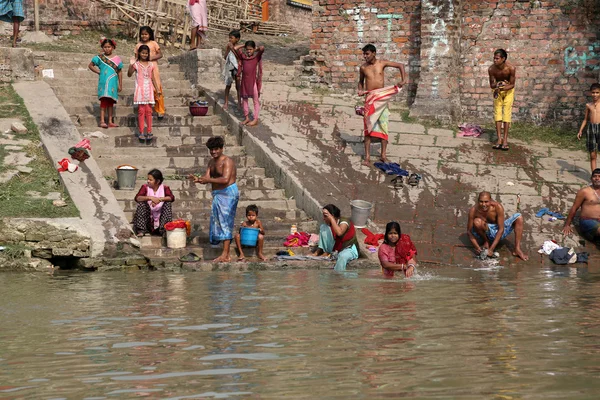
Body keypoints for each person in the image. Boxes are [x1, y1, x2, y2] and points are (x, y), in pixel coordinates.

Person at [188, 136, 239, 262]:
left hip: (228, 193)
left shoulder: (227, 161)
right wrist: (198, 179)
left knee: (225, 222)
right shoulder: (211, 162)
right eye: (211, 150)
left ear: (221, 149)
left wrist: (207, 180)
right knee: (219, 222)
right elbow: (206, 177)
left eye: (216, 149)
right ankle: (224, 253)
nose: (214, 152)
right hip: (217, 194)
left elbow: (225, 179)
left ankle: (226, 255)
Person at [358, 43, 406, 165]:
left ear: (373, 53)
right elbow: (360, 82)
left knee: (384, 126)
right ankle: (367, 157)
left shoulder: (382, 63)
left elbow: (400, 65)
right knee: (368, 128)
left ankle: (383, 155)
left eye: (367, 54)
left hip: (382, 100)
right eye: (364, 54)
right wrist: (360, 90)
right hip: (370, 99)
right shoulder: (363, 68)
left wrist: (403, 79)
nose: (365, 56)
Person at [467, 191, 528, 261]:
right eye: (481, 202)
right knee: (477, 222)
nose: (484, 204)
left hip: (497, 232)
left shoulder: (497, 207)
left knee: (519, 217)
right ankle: (486, 241)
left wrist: (491, 249)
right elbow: (469, 231)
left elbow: (501, 229)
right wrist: (477, 247)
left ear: (490, 201)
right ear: (478, 201)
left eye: (486, 202)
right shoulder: (473, 210)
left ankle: (517, 249)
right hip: (483, 233)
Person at [310, 204, 359, 271]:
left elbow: (339, 232)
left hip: (349, 249)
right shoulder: (328, 226)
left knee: (342, 256)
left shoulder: (344, 222)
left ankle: (338, 277)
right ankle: (326, 252)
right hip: (335, 249)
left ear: (332, 216)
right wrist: (316, 253)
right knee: (323, 227)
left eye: (325, 216)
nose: (323, 218)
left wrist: (331, 218)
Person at [88, 38, 123, 129]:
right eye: (105, 47)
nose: (107, 49)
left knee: (111, 103)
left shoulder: (117, 59)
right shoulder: (99, 58)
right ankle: (102, 121)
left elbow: (119, 71)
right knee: (103, 102)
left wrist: (120, 84)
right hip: (103, 83)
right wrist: (98, 72)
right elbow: (90, 65)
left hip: (113, 84)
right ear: (102, 48)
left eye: (109, 47)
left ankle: (110, 121)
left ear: (113, 47)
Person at [127, 45, 160, 140]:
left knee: (149, 111)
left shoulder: (151, 65)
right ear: (139, 53)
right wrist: (131, 64)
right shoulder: (136, 64)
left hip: (149, 90)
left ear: (148, 54)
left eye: (146, 53)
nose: (144, 55)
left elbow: (152, 78)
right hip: (140, 91)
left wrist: (157, 89)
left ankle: (149, 131)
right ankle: (141, 132)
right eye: (142, 53)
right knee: (141, 111)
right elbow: (129, 74)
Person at [488, 49, 516, 151]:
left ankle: (505, 140)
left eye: (497, 58)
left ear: (503, 59)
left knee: (506, 114)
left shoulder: (511, 68)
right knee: (498, 113)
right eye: (494, 58)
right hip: (497, 91)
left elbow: (512, 85)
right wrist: (498, 85)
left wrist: (504, 86)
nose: (495, 60)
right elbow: (492, 85)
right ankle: (499, 139)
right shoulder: (491, 69)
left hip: (508, 91)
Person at [133, 169, 174, 237]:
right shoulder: (145, 187)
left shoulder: (165, 188)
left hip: (160, 220)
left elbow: (171, 198)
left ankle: (163, 230)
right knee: (141, 204)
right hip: (148, 221)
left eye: (151, 180)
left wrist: (160, 199)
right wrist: (150, 198)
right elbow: (137, 198)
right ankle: (141, 230)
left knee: (167, 203)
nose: (148, 181)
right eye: (148, 179)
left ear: (157, 181)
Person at [135, 26, 165, 119]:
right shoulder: (138, 45)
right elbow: (136, 58)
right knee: (145, 88)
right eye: (142, 34)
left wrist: (151, 58)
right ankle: (146, 109)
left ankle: (160, 110)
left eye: (146, 34)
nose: (144, 36)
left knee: (157, 89)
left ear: (150, 35)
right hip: (143, 69)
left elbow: (160, 54)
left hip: (153, 68)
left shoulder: (153, 43)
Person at [562, 168, 600, 242]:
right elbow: (574, 208)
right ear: (591, 179)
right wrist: (567, 225)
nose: (597, 178)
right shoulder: (584, 192)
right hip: (589, 221)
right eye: (595, 176)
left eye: (599, 176)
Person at [237, 40, 264, 126]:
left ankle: (255, 119)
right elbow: (235, 48)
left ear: (254, 49)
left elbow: (262, 48)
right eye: (247, 49)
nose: (249, 51)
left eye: (250, 49)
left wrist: (255, 50)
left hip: (253, 83)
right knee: (244, 100)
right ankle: (247, 117)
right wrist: (243, 45)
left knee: (255, 101)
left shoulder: (256, 58)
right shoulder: (243, 57)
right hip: (244, 83)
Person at [577, 83, 600, 172]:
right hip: (591, 128)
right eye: (593, 92)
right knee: (592, 154)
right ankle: (594, 175)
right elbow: (585, 119)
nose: (595, 94)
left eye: (597, 92)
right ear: (590, 93)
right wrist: (580, 131)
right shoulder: (588, 105)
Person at [223, 30, 243, 110]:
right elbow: (225, 57)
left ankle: (239, 103)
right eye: (229, 38)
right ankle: (226, 102)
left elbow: (239, 58)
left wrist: (233, 49)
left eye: (231, 38)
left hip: (237, 67)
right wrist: (229, 49)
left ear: (237, 39)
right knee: (228, 85)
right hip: (229, 67)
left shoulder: (239, 48)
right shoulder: (228, 46)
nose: (230, 40)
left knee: (238, 86)